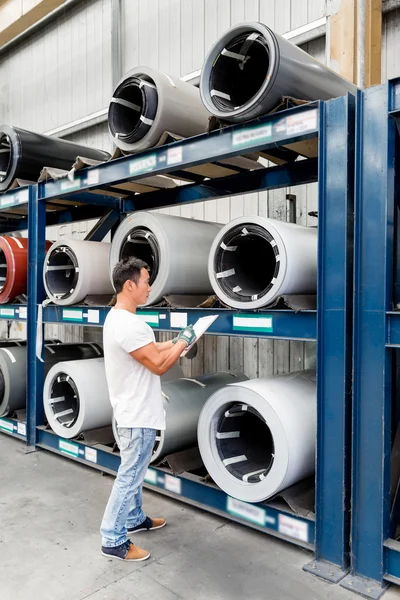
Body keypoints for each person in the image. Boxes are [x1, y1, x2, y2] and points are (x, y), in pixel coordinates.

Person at [100, 257, 196, 561]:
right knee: (129, 476)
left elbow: (150, 351)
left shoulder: (117, 318)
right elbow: (157, 365)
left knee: (135, 472)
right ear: (130, 285)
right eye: (146, 281)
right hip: (138, 414)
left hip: (131, 410)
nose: (149, 287)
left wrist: (177, 341)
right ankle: (113, 539)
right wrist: (183, 344)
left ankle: (134, 518)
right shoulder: (131, 324)